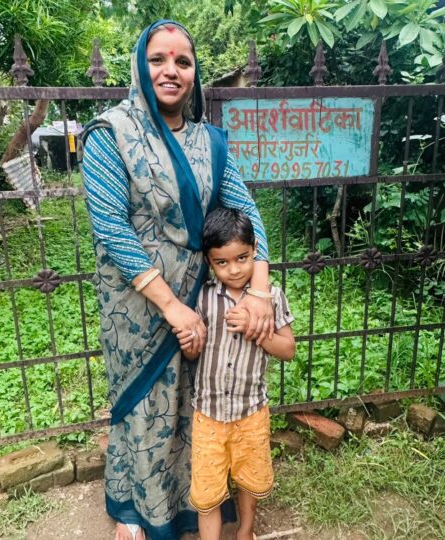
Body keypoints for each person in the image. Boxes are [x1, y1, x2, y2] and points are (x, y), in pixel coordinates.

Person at [81, 20, 274, 540]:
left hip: (199, 293)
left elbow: (248, 213)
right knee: (144, 402)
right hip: (137, 303)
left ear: (194, 74)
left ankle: (195, 500)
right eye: (158, 59)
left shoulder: (210, 142)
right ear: (139, 67)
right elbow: (112, 228)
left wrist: (259, 292)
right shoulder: (110, 134)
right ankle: (135, 510)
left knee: (190, 399)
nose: (171, 71)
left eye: (182, 62)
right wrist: (171, 307)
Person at [174, 208, 295, 540]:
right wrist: (190, 344)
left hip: (251, 413)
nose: (234, 269)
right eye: (222, 262)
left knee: (250, 481)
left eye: (242, 258)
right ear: (209, 262)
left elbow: (288, 349)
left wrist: (257, 331)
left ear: (255, 250)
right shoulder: (204, 297)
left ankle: (245, 532)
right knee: (208, 491)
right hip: (208, 416)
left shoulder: (272, 298)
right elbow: (193, 355)